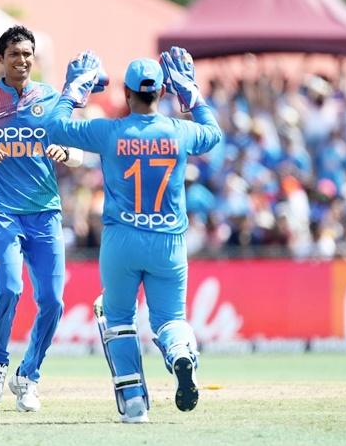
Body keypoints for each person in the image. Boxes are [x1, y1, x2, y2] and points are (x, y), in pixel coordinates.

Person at [48, 48, 223, 423]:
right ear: (161, 93)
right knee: (170, 318)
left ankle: (134, 405)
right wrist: (190, 92)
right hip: (168, 241)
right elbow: (214, 135)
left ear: (126, 94)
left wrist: (73, 91)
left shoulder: (109, 130)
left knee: (117, 318)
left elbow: (54, 127)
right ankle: (179, 353)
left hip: (121, 239)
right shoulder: (180, 131)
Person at [0, 25, 84, 413]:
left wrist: (67, 156)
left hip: (45, 213)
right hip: (2, 213)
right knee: (11, 287)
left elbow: (80, 152)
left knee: (53, 301)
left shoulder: (51, 99)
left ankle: (28, 375)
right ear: (1, 59)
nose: (23, 60)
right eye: (14, 54)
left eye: (28, 53)